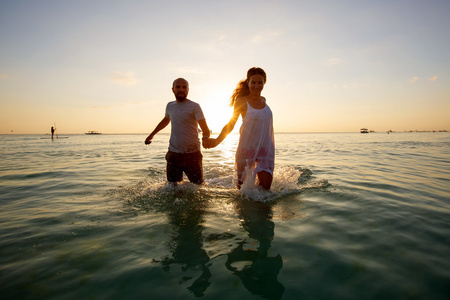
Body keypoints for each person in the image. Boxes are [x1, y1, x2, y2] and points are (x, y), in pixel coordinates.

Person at [204, 67, 275, 190]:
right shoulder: (242, 101)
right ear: (248, 82)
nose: (257, 86)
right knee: (242, 191)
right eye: (253, 82)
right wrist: (216, 141)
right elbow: (231, 124)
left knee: (266, 188)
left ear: (264, 83)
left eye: (260, 82)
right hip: (246, 149)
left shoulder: (264, 101)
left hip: (265, 150)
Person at [145, 78, 211, 184]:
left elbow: (205, 129)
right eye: (178, 87)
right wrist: (152, 135)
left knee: (198, 188)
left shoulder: (194, 106)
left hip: (192, 154)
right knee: (172, 189)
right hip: (174, 154)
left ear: (188, 90)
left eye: (184, 87)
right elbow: (166, 120)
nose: (181, 89)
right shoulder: (170, 106)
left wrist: (205, 138)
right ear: (173, 89)